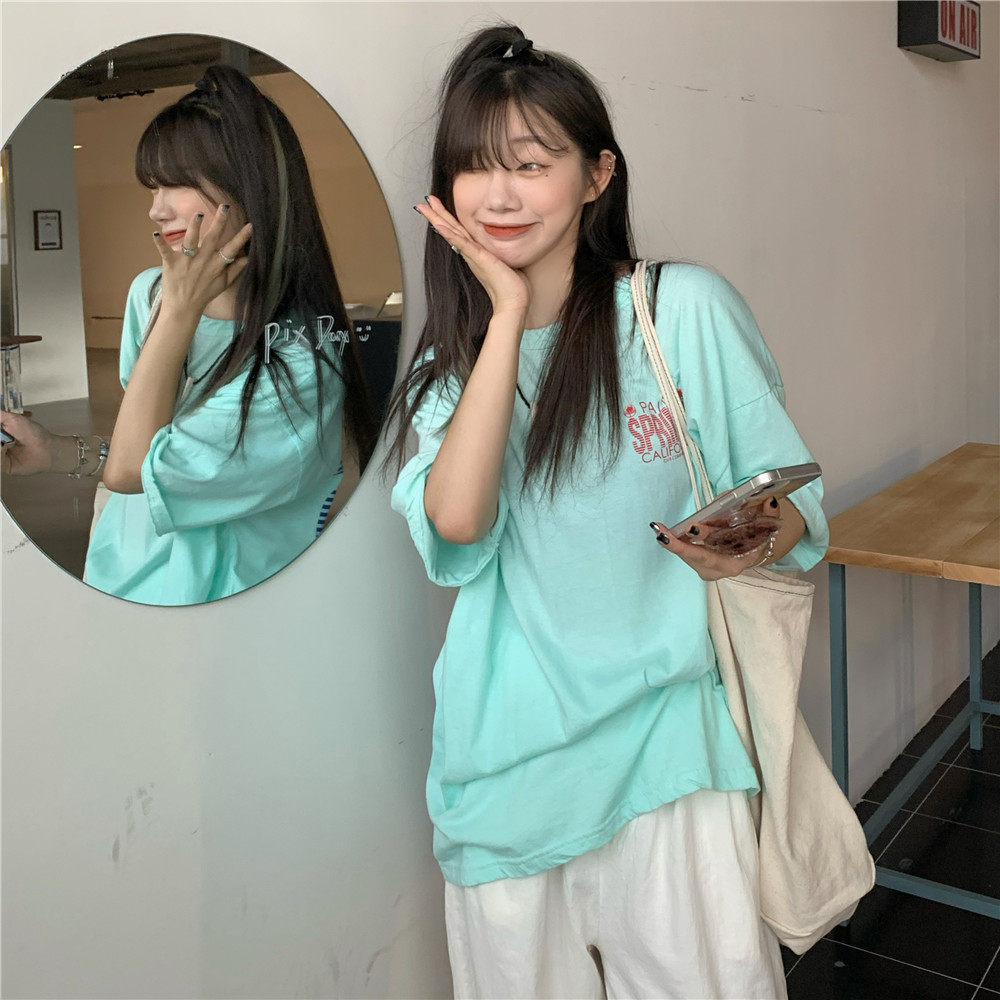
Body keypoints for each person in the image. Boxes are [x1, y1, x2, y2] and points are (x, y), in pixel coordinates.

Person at [385, 25, 828, 1000]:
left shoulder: (681, 312)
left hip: (672, 748)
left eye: (531, 164)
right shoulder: (450, 371)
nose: (499, 196)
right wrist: (505, 318)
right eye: (474, 167)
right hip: (501, 766)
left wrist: (749, 536)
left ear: (596, 176)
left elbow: (799, 509)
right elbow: (457, 528)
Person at [1, 65, 376, 606]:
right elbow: (155, 450)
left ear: (250, 186)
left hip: (220, 613)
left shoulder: (300, 366)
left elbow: (133, 471)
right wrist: (56, 452)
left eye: (177, 182)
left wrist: (181, 312)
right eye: (153, 187)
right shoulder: (150, 293)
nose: (156, 209)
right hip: (116, 583)